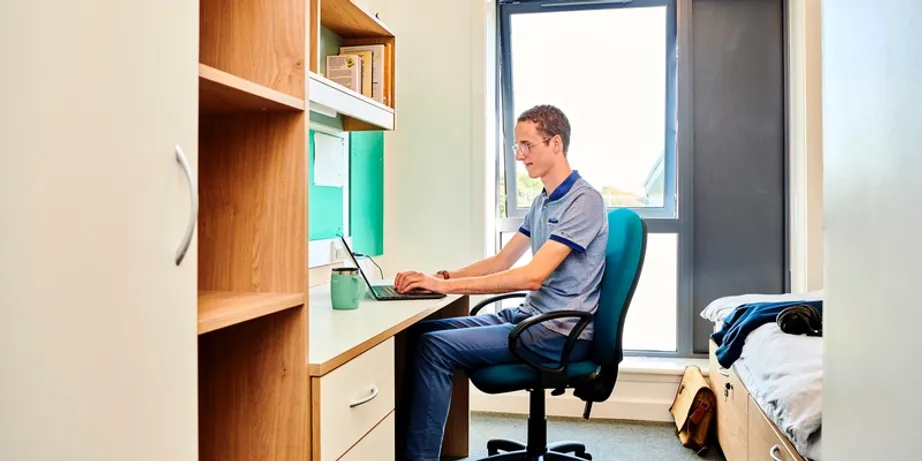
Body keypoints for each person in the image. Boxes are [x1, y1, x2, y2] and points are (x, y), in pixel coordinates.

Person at [393, 104, 609, 461]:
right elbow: (503, 260)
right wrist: (444, 277)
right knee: (420, 335)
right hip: (530, 318)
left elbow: (532, 275)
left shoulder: (583, 201)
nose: (520, 155)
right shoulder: (543, 202)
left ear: (555, 144)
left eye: (527, 145)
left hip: (557, 333)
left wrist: (446, 288)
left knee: (435, 349)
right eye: (516, 147)